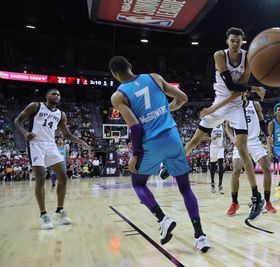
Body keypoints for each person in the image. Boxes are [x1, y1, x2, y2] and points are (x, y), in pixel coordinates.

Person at [108, 56, 209, 252]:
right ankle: (200, 236)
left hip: (150, 144)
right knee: (185, 188)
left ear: (114, 74)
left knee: (138, 184)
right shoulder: (154, 77)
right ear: (130, 65)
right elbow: (183, 98)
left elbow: (135, 127)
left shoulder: (118, 96)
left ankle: (163, 218)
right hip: (173, 138)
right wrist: (167, 109)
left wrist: (135, 154)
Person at [184, 27, 267, 221]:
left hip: (237, 106)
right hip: (220, 102)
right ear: (227, 41)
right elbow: (230, 86)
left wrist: (249, 88)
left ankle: (257, 197)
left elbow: (238, 93)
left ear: (242, 42)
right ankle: (173, 162)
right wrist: (254, 88)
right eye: (232, 41)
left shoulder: (249, 58)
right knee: (195, 140)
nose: (236, 44)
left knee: (241, 148)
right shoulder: (219, 55)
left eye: (239, 41)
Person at [14, 89, 90, 230]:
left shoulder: (61, 115)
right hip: (35, 144)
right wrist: (25, 133)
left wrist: (81, 142)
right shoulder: (35, 106)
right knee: (41, 178)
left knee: (63, 176)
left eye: (59, 94)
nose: (57, 96)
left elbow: (66, 134)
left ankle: (59, 211)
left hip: (50, 145)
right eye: (54, 94)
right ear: (47, 96)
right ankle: (44, 215)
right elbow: (17, 121)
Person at [225, 99, 276, 216]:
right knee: (236, 171)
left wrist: (268, 135)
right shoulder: (231, 105)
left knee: (267, 169)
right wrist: (233, 139)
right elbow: (227, 127)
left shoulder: (255, 105)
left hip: (254, 141)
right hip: (240, 141)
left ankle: (267, 201)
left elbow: (262, 122)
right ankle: (234, 202)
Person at [208, 124, 225, 194]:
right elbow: (204, 137)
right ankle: (212, 183)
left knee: (221, 165)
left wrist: (224, 142)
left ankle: (220, 185)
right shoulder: (211, 126)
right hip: (213, 147)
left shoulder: (222, 126)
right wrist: (211, 138)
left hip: (220, 147)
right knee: (213, 165)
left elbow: (224, 136)